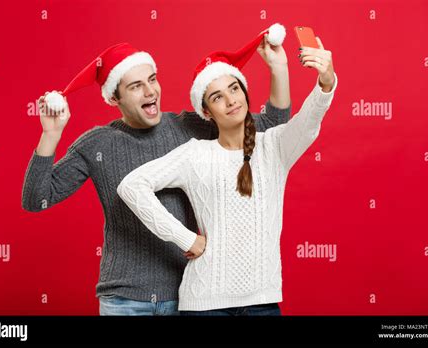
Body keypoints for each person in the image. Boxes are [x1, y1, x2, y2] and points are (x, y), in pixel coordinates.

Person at [22, 27, 292, 316]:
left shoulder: (188, 128)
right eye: (136, 86)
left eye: (152, 79)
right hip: (124, 300)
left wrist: (278, 68)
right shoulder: (97, 143)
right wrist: (50, 135)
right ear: (114, 98)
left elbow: (268, 127)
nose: (150, 91)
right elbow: (37, 199)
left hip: (185, 295)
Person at [117, 29, 338, 315]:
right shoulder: (197, 154)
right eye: (217, 97)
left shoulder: (274, 146)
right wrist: (185, 238)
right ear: (207, 112)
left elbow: (309, 121)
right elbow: (131, 186)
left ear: (244, 92)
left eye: (234, 89)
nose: (231, 100)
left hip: (262, 303)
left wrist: (326, 80)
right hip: (205, 306)